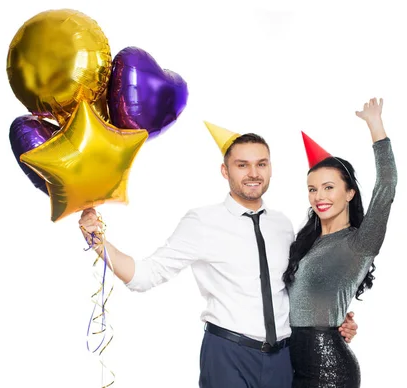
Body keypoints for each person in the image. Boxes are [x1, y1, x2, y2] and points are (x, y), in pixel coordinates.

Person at [78, 121, 359, 388]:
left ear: (271, 169)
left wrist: (335, 320)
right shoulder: (202, 222)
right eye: (242, 165)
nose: (253, 173)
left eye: (261, 164)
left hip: (283, 359)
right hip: (228, 354)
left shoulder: (283, 225)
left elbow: (296, 288)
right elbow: (144, 276)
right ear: (225, 171)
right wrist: (99, 242)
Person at [283, 97, 397, 387]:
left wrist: (375, 126)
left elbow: (387, 184)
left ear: (349, 194)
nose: (319, 196)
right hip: (288, 361)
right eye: (312, 189)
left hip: (329, 368)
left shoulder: (360, 242)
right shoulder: (303, 242)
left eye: (329, 187)